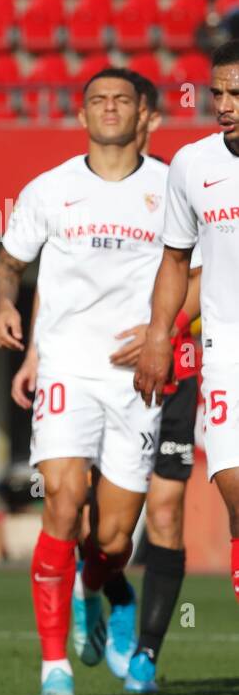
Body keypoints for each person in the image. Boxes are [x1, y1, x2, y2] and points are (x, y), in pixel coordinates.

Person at [0, 67, 168, 695]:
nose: (109, 108)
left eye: (122, 99)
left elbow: (203, 273)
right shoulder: (49, 190)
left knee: (115, 538)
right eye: (98, 99)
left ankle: (107, 589)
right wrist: (5, 308)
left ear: (145, 112)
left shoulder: (172, 189)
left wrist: (162, 330)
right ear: (82, 113)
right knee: (63, 499)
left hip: (137, 380)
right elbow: (8, 268)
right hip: (66, 368)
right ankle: (53, 665)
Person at [137, 39, 239, 632]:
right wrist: (158, 334)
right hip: (224, 351)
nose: (223, 104)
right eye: (217, 92)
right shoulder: (192, 166)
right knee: (232, 485)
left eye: (236, 94)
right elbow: (176, 262)